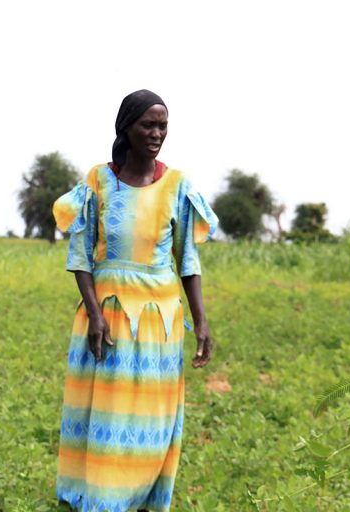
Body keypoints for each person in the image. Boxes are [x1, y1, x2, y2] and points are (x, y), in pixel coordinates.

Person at [52, 90, 218, 512]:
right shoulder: (98, 180)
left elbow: (188, 259)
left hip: (159, 323)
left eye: (163, 125)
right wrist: (93, 313)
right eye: (148, 124)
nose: (157, 133)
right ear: (126, 127)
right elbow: (80, 256)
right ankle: (103, 500)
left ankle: (142, 499)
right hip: (108, 317)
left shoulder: (178, 184)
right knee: (107, 419)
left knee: (151, 422)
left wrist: (200, 321)